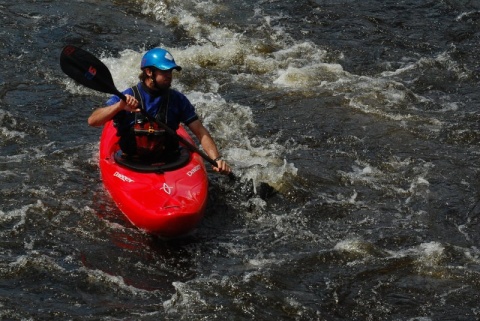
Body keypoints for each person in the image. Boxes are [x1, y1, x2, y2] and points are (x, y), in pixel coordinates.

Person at [87, 48, 231, 175]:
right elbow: (93, 121)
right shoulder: (127, 96)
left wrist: (217, 159)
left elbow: (200, 132)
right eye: (164, 71)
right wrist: (119, 107)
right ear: (149, 72)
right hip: (132, 164)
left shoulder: (178, 99)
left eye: (171, 71)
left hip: (170, 163)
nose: (169, 75)